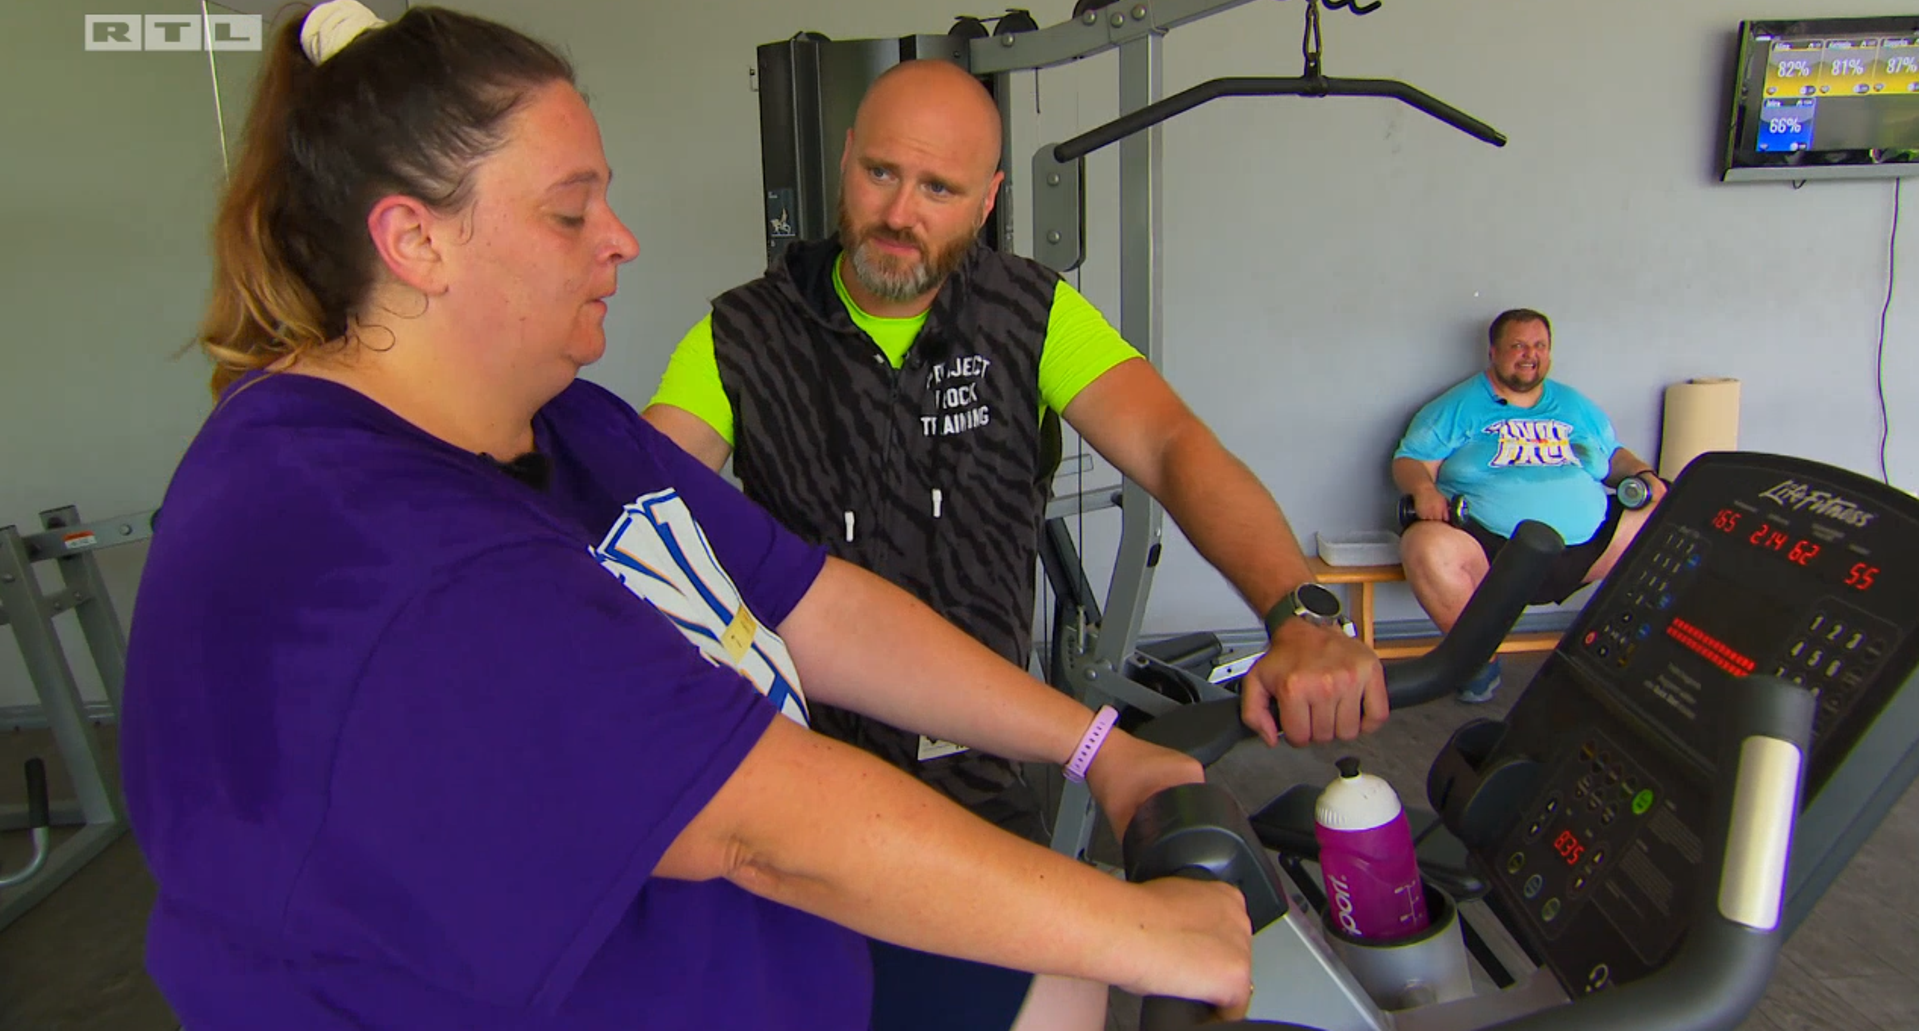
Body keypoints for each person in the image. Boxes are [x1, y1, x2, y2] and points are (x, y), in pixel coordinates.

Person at [116, 0, 1257, 1031]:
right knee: (1088, 952)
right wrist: (1153, 931)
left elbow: (815, 604)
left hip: (773, 948)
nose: (621, 239)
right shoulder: (370, 536)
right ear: (416, 242)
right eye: (571, 213)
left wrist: (1098, 747)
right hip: (625, 972)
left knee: (1059, 971)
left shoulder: (564, 425)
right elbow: (761, 828)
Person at [642, 59, 1386, 1028]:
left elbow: (1171, 446)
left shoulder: (1028, 314)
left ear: (988, 198)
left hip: (981, 766)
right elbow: (638, 502)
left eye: (938, 189)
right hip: (808, 782)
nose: (898, 213)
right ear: (844, 160)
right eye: (879, 173)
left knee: (1053, 990)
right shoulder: (739, 335)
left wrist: (1296, 611)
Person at [1392, 308, 1666, 702]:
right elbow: (1410, 460)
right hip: (1494, 548)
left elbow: (1614, 457)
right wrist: (1423, 489)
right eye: (1518, 345)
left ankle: (1622, 655)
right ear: (1493, 352)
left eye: (1539, 346)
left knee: (1666, 520)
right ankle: (1475, 662)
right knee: (1423, 545)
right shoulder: (1457, 407)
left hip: (1588, 544)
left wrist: (1642, 474)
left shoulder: (1575, 405)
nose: (1529, 354)